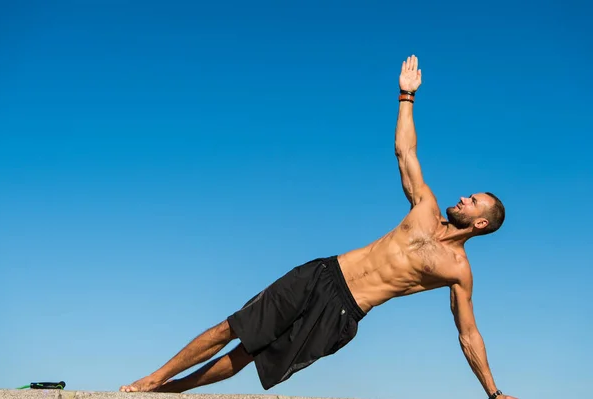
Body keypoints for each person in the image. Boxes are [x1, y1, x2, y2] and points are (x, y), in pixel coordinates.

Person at [119, 55, 518, 399]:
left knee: (249, 356)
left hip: (343, 312)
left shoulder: (457, 270)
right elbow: (405, 150)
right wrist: (406, 96)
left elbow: (468, 334)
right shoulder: (425, 207)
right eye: (469, 194)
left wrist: (494, 392)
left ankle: (173, 391)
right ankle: (156, 378)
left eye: (473, 201)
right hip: (323, 274)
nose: (464, 198)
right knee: (233, 327)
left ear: (481, 223)